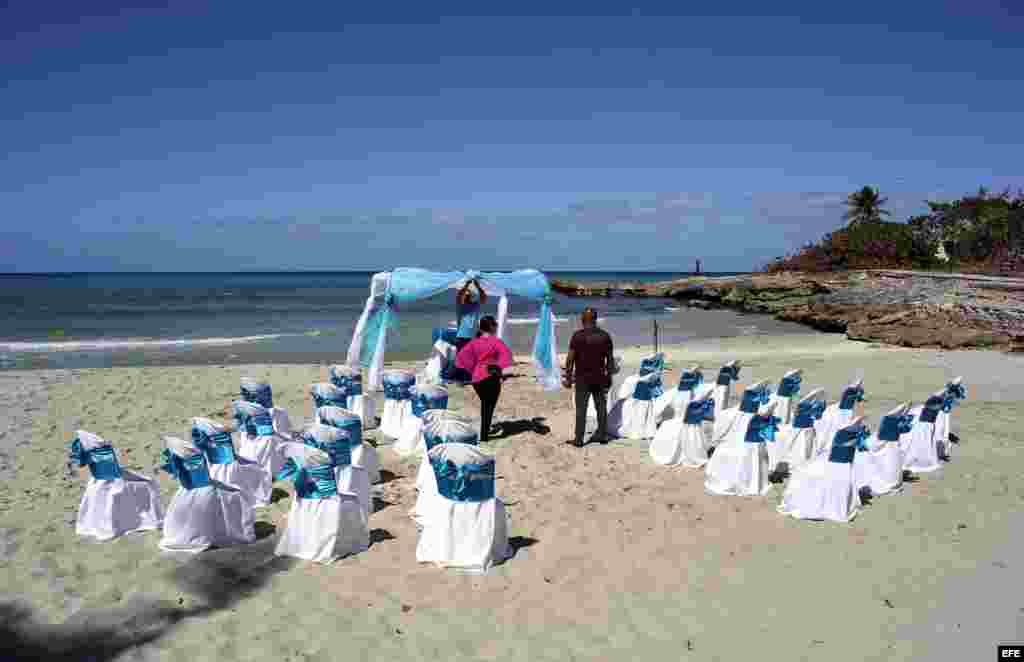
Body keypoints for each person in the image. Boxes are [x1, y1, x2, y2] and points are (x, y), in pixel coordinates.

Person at [454, 315, 513, 442]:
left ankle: (485, 433)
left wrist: (472, 369)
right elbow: (507, 356)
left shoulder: (474, 342)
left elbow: (460, 358)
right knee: (489, 407)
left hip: (477, 379)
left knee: (485, 405)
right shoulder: (496, 341)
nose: (496, 327)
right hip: (491, 377)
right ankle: (485, 435)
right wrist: (497, 367)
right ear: (491, 327)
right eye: (495, 325)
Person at [565, 308, 614, 447]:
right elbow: (610, 360)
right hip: (600, 377)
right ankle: (603, 435)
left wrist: (568, 377)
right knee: (601, 407)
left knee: (581, 409)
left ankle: (579, 439)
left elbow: (570, 359)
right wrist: (609, 377)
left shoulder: (577, 336)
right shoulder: (605, 336)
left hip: (582, 378)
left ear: (582, 319)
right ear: (595, 319)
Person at [455, 277, 487, 354]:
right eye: (466, 295)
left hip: (474, 336)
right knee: (462, 359)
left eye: (468, 295)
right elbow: (459, 295)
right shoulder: (460, 306)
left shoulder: (475, 305)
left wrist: (478, 286)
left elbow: (484, 298)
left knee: (473, 358)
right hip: (462, 336)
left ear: (471, 296)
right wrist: (466, 284)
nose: (467, 297)